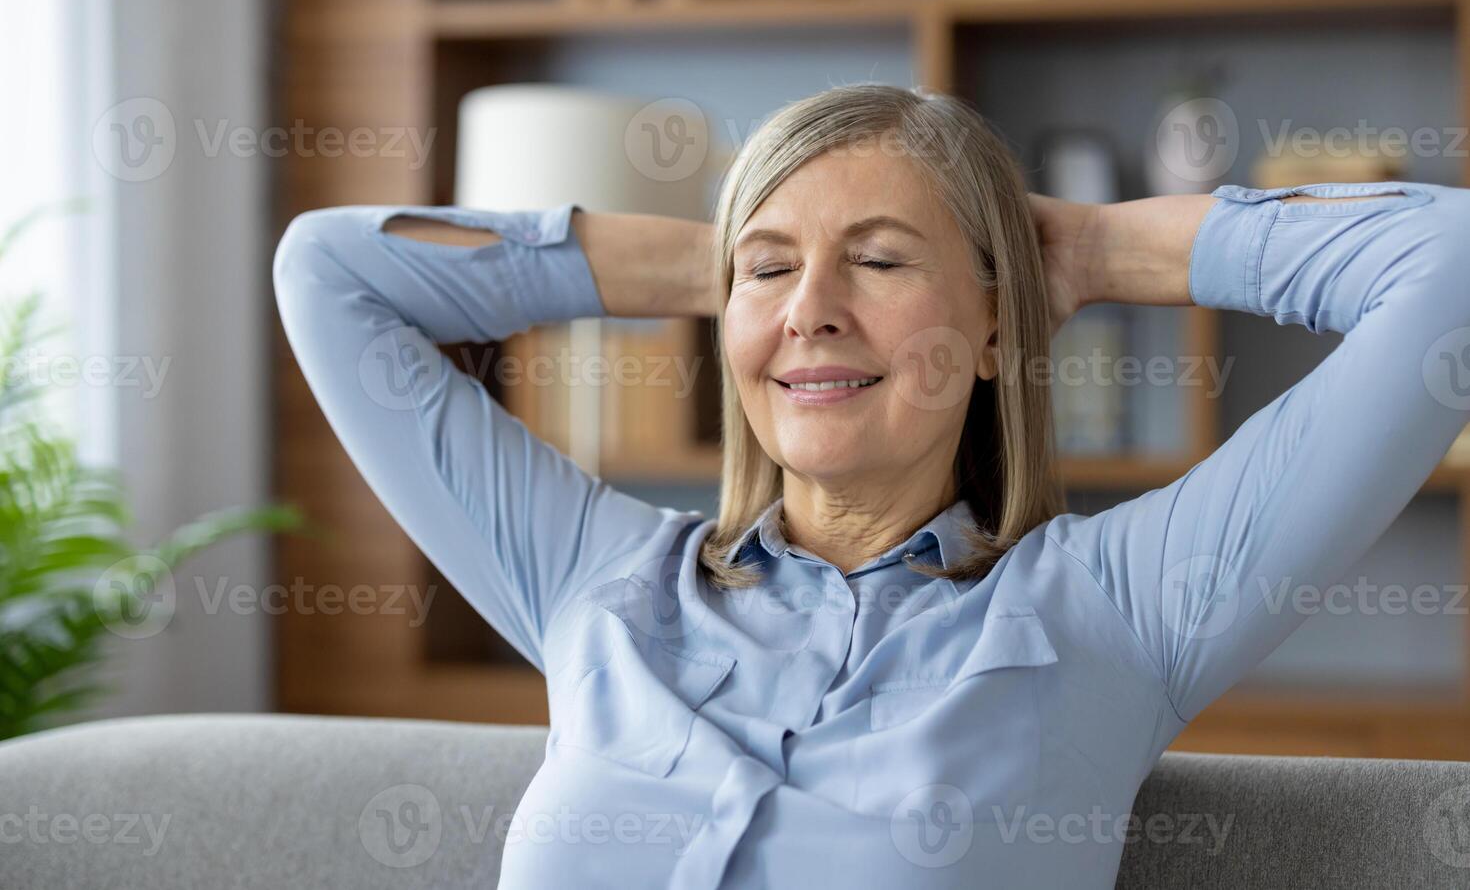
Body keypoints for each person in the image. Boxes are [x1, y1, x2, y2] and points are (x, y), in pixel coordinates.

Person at [272, 84, 1470, 888]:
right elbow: (326, 272)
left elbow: (1448, 268)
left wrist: (1100, 252)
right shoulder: (603, 580)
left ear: (997, 325)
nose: (813, 309)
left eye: (882, 258)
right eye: (774, 271)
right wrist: (723, 263)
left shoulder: (1111, 606)